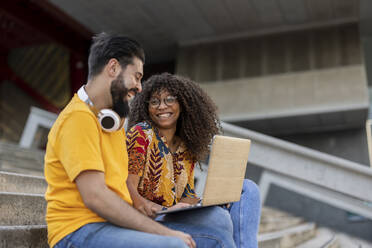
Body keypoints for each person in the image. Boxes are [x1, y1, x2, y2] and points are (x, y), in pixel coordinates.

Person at [44, 33, 235, 248]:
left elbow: (125, 197)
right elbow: (96, 197)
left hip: (115, 224)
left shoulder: (112, 121)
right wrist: (164, 232)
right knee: (174, 246)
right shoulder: (78, 118)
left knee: (217, 221)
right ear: (113, 68)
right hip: (78, 231)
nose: (140, 87)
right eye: (136, 76)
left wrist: (164, 212)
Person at [126, 73, 262, 248]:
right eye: (154, 102)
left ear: (182, 104)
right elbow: (128, 188)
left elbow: (186, 198)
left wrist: (212, 200)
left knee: (248, 189)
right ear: (147, 107)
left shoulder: (185, 147)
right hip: (150, 220)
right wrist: (165, 210)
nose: (161, 106)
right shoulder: (141, 133)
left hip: (176, 216)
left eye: (169, 100)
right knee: (219, 219)